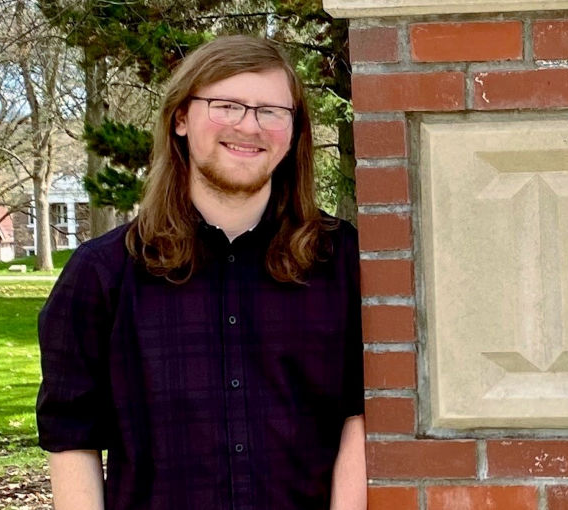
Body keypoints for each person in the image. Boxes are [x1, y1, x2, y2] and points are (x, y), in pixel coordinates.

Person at [35, 35, 366, 510]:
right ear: (181, 118)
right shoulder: (102, 274)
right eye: (227, 105)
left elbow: (361, 412)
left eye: (271, 111)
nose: (249, 126)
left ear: (294, 133)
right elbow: (71, 436)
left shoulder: (341, 262)